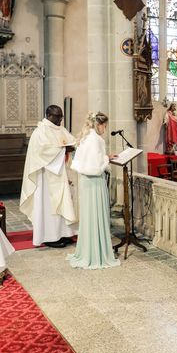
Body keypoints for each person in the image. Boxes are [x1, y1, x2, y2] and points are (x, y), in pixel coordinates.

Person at [20, 105, 77, 248]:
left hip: (60, 174)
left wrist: (75, 145)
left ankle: (64, 233)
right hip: (45, 178)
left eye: (61, 117)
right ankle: (49, 237)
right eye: (57, 117)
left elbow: (72, 141)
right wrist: (63, 149)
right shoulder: (40, 132)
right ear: (48, 115)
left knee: (63, 203)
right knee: (49, 207)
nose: (60, 120)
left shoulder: (61, 129)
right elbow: (43, 151)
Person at [68, 112, 120, 270]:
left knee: (89, 217)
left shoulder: (86, 136)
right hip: (95, 182)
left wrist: (105, 157)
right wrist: (106, 159)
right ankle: (97, 254)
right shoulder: (96, 139)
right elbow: (96, 168)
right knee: (97, 215)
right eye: (105, 125)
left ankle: (88, 251)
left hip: (85, 182)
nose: (105, 129)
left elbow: (88, 161)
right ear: (99, 125)